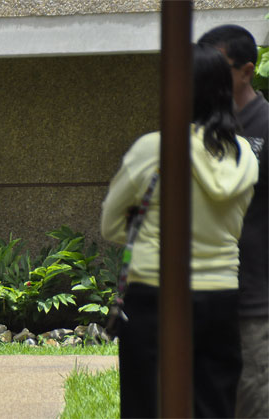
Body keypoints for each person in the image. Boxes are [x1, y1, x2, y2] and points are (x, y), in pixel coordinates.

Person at [101, 44, 259, 418]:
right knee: (215, 406)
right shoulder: (244, 154)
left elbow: (110, 223)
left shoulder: (152, 149)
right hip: (221, 295)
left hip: (155, 294)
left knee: (146, 405)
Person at [199, 24, 269, 419]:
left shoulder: (266, 125)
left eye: (217, 65)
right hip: (204, 301)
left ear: (246, 70)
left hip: (254, 303)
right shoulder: (200, 129)